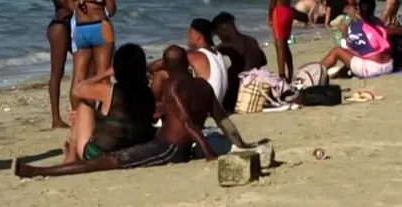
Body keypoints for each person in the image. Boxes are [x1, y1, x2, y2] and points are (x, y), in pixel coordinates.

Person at [14, 46, 252, 178]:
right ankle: (43, 168)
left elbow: (187, 122)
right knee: (110, 158)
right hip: (158, 142)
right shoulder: (201, 86)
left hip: (168, 149)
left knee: (104, 162)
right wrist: (241, 143)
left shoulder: (171, 86)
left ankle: (41, 170)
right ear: (186, 65)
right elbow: (223, 120)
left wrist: (209, 154)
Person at [62, 44, 156, 164]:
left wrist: (105, 74)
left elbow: (77, 89)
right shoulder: (148, 93)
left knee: (83, 106)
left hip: (98, 155)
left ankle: (71, 157)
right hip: (129, 151)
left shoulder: (110, 91)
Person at [68, 0, 116, 109]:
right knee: (103, 75)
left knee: (79, 76)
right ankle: (103, 113)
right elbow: (111, 9)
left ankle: (77, 114)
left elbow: (70, 7)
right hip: (100, 27)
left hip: (81, 29)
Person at [150, 19, 228, 107]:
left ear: (198, 36)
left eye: (190, 32)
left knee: (162, 74)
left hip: (204, 107)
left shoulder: (195, 55)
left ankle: (152, 107)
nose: (187, 35)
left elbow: (156, 65)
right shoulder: (218, 54)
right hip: (217, 104)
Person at [320, 0, 393, 78]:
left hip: (373, 68)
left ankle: (315, 72)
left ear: (359, 9)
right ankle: (342, 73)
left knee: (337, 51)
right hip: (389, 65)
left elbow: (346, 47)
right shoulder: (378, 22)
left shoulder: (357, 26)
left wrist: (345, 29)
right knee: (358, 54)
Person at [212, 12, 268, 111]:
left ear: (224, 27)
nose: (219, 37)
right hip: (254, 86)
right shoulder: (251, 40)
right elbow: (264, 61)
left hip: (240, 91)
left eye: (218, 34)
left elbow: (210, 58)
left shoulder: (227, 46)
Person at [43, 0, 72, 129]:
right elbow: (67, 4)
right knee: (57, 72)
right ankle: (55, 118)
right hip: (59, 28)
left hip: (70, 24)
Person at [269, 0, 295, 81]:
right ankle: (290, 72)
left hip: (279, 12)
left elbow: (272, 2)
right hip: (288, 11)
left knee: (279, 45)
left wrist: (269, 16)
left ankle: (281, 75)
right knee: (285, 44)